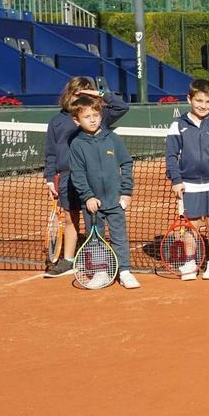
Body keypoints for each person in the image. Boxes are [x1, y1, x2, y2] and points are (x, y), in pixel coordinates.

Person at [43, 77, 129, 278]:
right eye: (77, 93)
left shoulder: (99, 116)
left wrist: (96, 95)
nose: (79, 97)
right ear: (68, 94)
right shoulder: (56, 121)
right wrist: (49, 178)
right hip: (66, 177)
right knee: (69, 217)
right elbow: (51, 152)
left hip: (96, 178)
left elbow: (122, 106)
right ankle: (69, 260)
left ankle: (109, 264)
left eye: (85, 93)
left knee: (98, 219)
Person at [67, 95, 136, 289]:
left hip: (115, 201)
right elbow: (78, 175)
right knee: (95, 239)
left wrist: (126, 192)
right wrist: (88, 196)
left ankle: (124, 271)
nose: (92, 119)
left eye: (95, 115)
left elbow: (126, 163)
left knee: (120, 237)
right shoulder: (76, 144)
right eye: (87, 116)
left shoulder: (112, 138)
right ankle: (100, 271)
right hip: (92, 204)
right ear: (76, 120)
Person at [165, 79, 209, 280]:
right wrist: (176, 179)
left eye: (208, 102)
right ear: (189, 99)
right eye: (199, 100)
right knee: (191, 225)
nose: (203, 105)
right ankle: (190, 262)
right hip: (188, 183)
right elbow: (171, 155)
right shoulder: (178, 125)